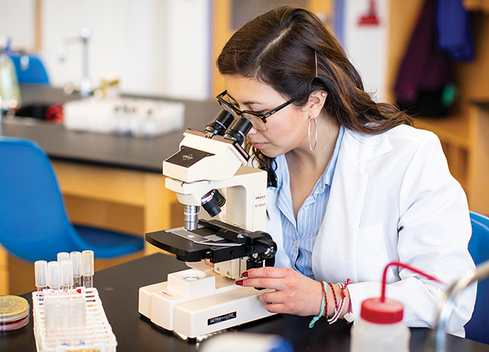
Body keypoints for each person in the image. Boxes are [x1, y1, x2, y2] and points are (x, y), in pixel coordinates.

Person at [215, 6, 476, 335]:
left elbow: (447, 298)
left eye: (259, 112)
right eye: (235, 107)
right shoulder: (255, 157)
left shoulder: (410, 158)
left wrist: (331, 298)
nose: (246, 128)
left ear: (314, 101)